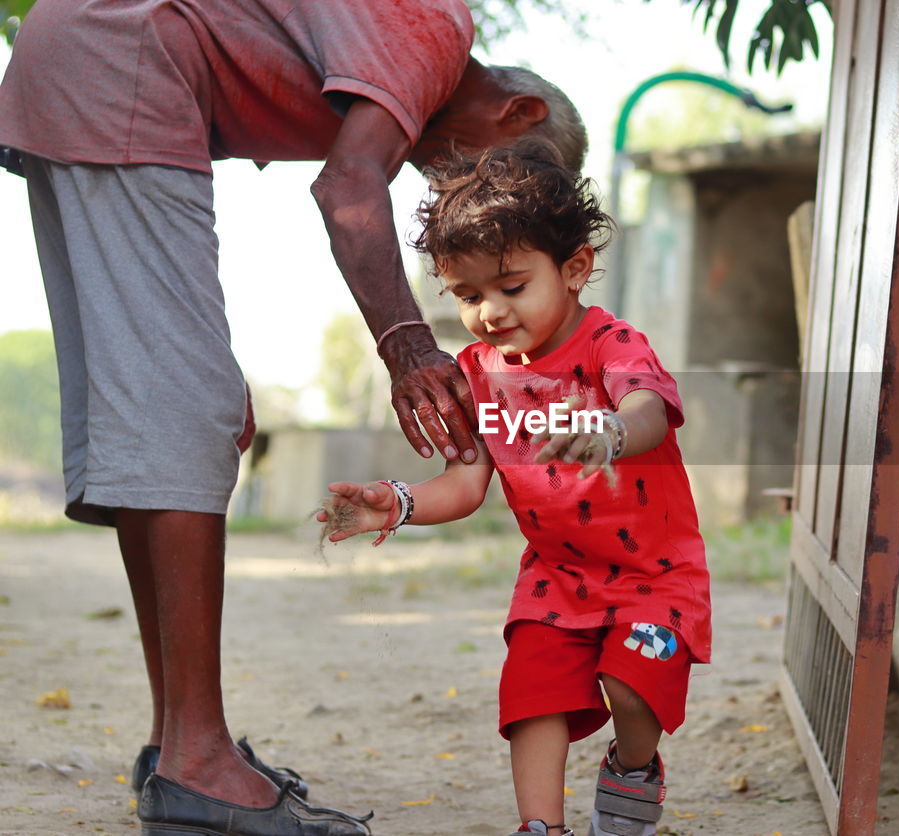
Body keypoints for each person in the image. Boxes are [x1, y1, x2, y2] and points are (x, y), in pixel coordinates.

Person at [0, 1, 584, 833]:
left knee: (158, 402)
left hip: (87, 73)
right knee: (184, 405)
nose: (472, 201)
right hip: (118, 68)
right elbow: (348, 187)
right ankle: (198, 765)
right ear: (517, 113)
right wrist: (409, 346)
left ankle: (179, 746)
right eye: (493, 179)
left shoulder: (401, 71)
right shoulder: (435, 30)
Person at [317, 140, 712, 836]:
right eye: (469, 296)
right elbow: (466, 483)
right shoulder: (476, 372)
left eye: (511, 286)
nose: (491, 312)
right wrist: (399, 502)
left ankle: (632, 772)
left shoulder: (613, 345)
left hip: (654, 574)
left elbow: (648, 408)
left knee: (631, 683)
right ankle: (541, 826)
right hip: (554, 579)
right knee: (531, 697)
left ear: (575, 268)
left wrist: (611, 432)